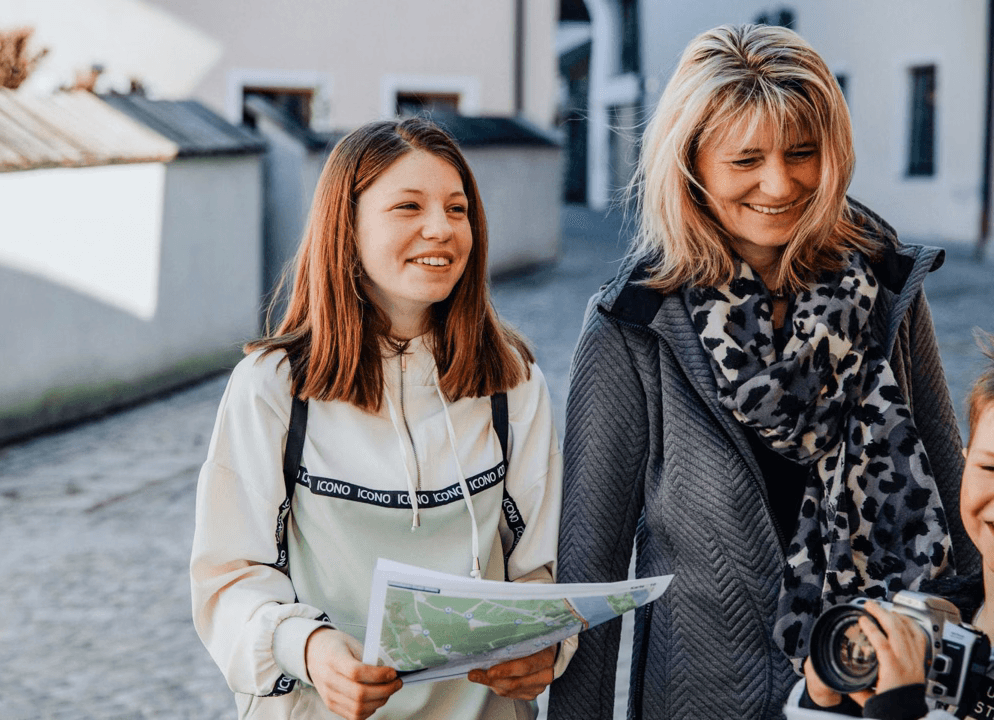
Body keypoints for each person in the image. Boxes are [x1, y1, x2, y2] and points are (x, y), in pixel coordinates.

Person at [547, 23, 977, 720]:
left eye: (802, 153)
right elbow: (587, 579)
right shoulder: (634, 323)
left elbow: (960, 515)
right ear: (690, 161)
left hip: (878, 695)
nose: (779, 183)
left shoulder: (886, 286)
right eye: (746, 159)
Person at [190, 117, 574, 720]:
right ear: (346, 228)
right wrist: (309, 649)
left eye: (457, 209)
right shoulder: (273, 387)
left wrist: (543, 645)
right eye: (408, 206)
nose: (441, 228)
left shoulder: (512, 381)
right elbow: (228, 578)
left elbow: (541, 566)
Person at [787, 330, 994, 720]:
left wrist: (901, 711)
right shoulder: (929, 616)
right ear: (965, 464)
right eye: (989, 468)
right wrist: (824, 705)